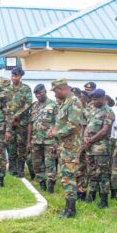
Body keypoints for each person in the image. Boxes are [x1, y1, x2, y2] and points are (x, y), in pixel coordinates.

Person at [47, 79, 83, 219]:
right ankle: (68, 207)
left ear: (62, 89)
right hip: (64, 147)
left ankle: (71, 211)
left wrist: (57, 133)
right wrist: (53, 130)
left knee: (69, 177)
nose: (55, 95)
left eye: (56, 92)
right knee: (65, 177)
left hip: (71, 147)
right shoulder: (64, 104)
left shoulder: (73, 102)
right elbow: (62, 124)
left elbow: (73, 125)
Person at [83, 88, 114, 209]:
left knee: (103, 174)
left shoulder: (108, 112)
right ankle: (91, 196)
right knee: (91, 173)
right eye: (92, 99)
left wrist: (90, 141)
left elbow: (105, 131)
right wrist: (85, 138)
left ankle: (104, 200)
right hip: (90, 148)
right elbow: (87, 125)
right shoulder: (93, 110)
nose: (93, 101)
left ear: (102, 98)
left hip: (101, 148)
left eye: (96, 99)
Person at [27, 84, 57, 193]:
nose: (38, 95)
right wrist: (29, 141)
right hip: (35, 140)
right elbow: (30, 123)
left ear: (45, 91)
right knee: (36, 164)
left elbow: (58, 123)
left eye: (40, 93)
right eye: (36, 94)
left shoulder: (54, 105)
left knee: (50, 164)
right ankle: (41, 184)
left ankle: (50, 187)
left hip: (49, 141)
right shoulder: (34, 106)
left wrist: (56, 140)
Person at [5, 66, 32, 178]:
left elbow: (28, 103)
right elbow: (5, 106)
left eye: (16, 76)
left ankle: (21, 169)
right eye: (12, 75)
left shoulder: (26, 88)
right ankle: (12, 168)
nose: (13, 78)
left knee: (21, 145)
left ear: (20, 77)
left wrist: (17, 115)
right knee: (11, 145)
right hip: (10, 123)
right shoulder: (8, 90)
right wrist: (9, 121)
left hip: (22, 122)